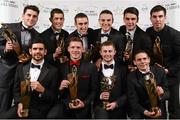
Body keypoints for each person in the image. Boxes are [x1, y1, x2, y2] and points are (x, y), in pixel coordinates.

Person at [2, 38, 59, 118]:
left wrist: (43, 90)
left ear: (45, 52)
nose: (38, 51)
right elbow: (16, 90)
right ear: (30, 51)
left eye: (41, 49)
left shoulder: (53, 71)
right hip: (21, 106)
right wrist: (19, 103)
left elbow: (54, 96)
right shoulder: (20, 67)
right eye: (35, 49)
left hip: (40, 109)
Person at [0, 5, 39, 116]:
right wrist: (5, 49)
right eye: (29, 15)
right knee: (3, 106)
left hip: (24, 76)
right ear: (22, 15)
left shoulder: (37, 35)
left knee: (21, 108)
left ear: (37, 19)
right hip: (6, 73)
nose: (31, 18)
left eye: (34, 16)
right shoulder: (8, 28)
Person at [47, 37, 98, 118]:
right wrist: (60, 87)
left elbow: (94, 90)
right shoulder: (60, 67)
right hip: (64, 106)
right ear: (68, 49)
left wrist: (84, 103)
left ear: (83, 49)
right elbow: (54, 91)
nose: (75, 50)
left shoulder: (91, 67)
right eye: (72, 47)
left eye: (78, 47)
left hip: (83, 108)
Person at [146, 5, 180, 118]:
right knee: (156, 105)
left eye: (160, 16)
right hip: (155, 76)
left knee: (174, 107)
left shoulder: (175, 35)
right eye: (154, 17)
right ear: (150, 18)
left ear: (165, 18)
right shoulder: (148, 32)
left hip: (171, 76)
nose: (157, 19)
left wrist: (168, 70)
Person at [127, 50, 169, 119]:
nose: (142, 62)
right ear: (134, 62)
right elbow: (133, 100)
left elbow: (168, 93)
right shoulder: (131, 77)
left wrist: (162, 94)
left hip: (159, 111)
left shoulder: (160, 71)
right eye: (139, 60)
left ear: (149, 60)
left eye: (144, 59)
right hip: (141, 112)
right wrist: (145, 112)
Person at [93, 41, 127, 119]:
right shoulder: (93, 69)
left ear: (114, 52)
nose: (107, 54)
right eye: (105, 51)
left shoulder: (123, 69)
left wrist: (117, 103)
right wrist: (100, 96)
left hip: (119, 109)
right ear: (100, 52)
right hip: (100, 108)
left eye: (110, 51)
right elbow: (90, 90)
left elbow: (128, 92)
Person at [119, 7, 153, 72]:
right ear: (123, 19)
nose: (130, 22)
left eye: (133, 19)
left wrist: (136, 67)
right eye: (127, 19)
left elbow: (149, 58)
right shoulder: (121, 29)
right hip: (122, 68)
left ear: (137, 20)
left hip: (136, 70)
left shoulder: (145, 37)